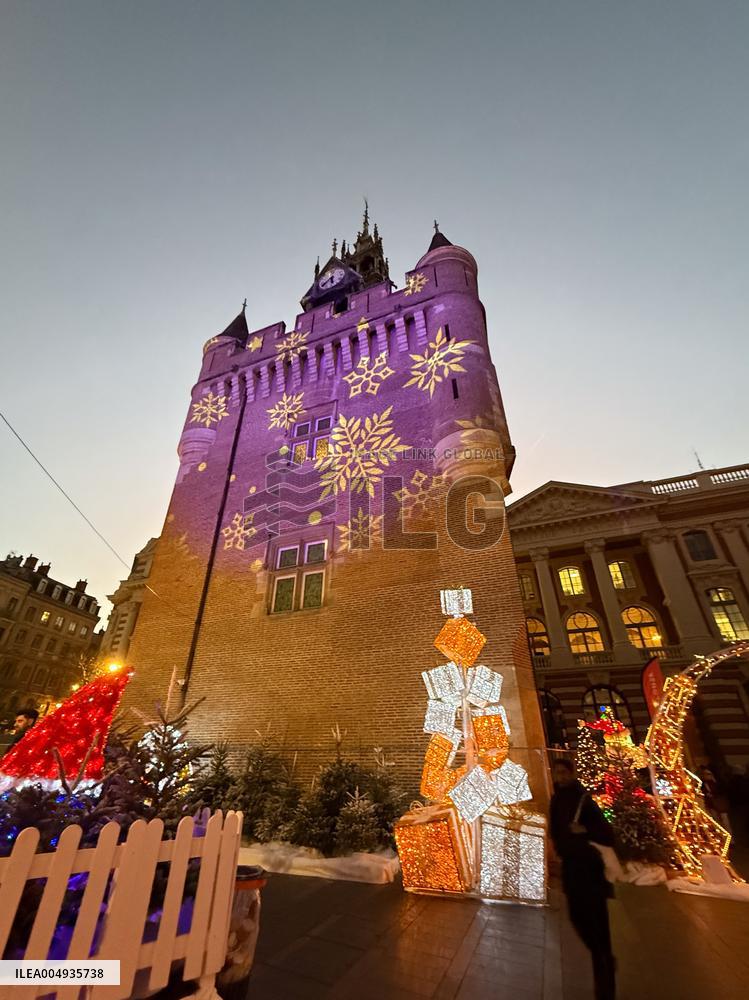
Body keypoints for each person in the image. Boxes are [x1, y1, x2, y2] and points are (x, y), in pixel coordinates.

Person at [550, 758, 617, 1000]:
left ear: (571, 772)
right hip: (571, 869)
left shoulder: (584, 799)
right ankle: (601, 956)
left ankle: (605, 978)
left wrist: (586, 830)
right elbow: (555, 830)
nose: (561, 776)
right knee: (577, 917)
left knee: (599, 925)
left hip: (590, 870)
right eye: (557, 772)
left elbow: (608, 834)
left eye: (564, 772)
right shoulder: (556, 799)